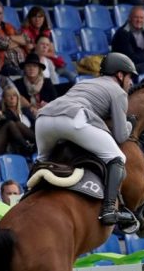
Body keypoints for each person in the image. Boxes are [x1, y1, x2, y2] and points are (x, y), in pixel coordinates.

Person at [34, 52, 137, 225]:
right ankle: (109, 210)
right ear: (120, 75)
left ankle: (25, 196)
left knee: (42, 162)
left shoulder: (84, 82)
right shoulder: (118, 92)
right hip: (73, 119)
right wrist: (130, 123)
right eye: (129, 77)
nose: (131, 82)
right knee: (118, 157)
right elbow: (121, 135)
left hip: (43, 120)